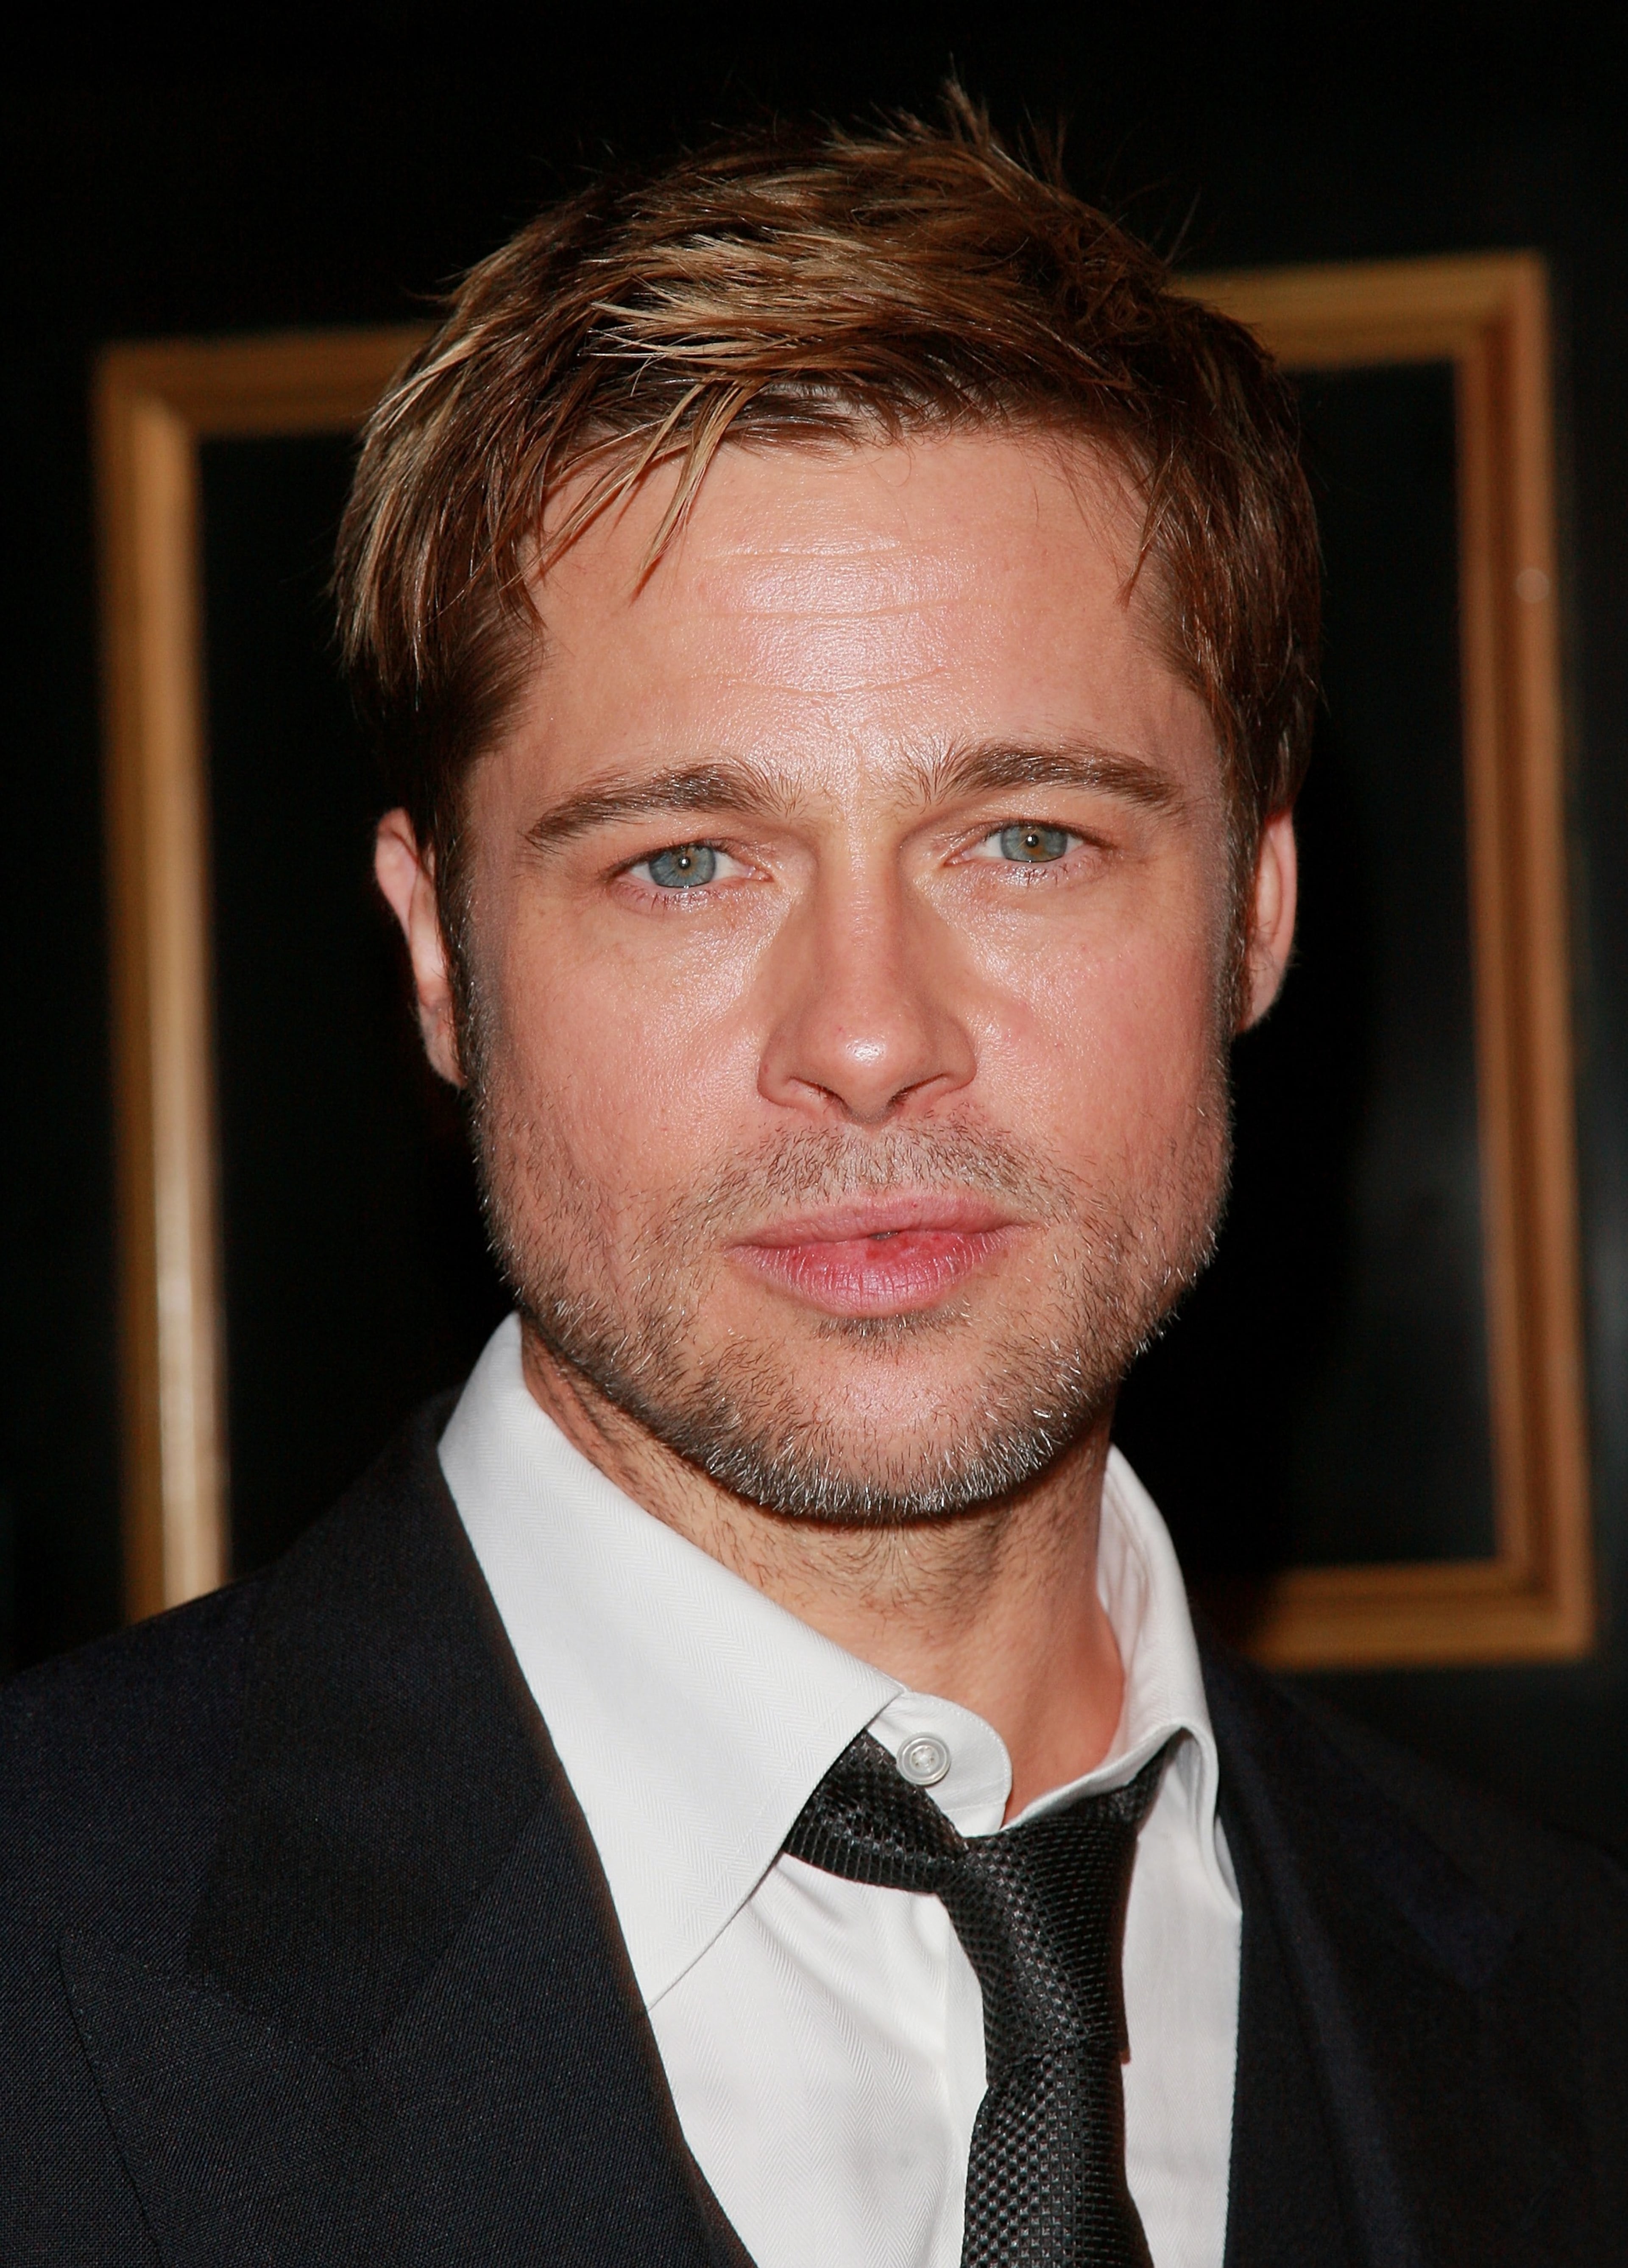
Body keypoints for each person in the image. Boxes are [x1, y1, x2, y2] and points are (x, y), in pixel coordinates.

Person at [4, 98, 1625, 2268]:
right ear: (437, 960)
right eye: (687, 860)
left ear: (1254, 909)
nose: (867, 1032)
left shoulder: (1571, 2019)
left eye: (1027, 836)